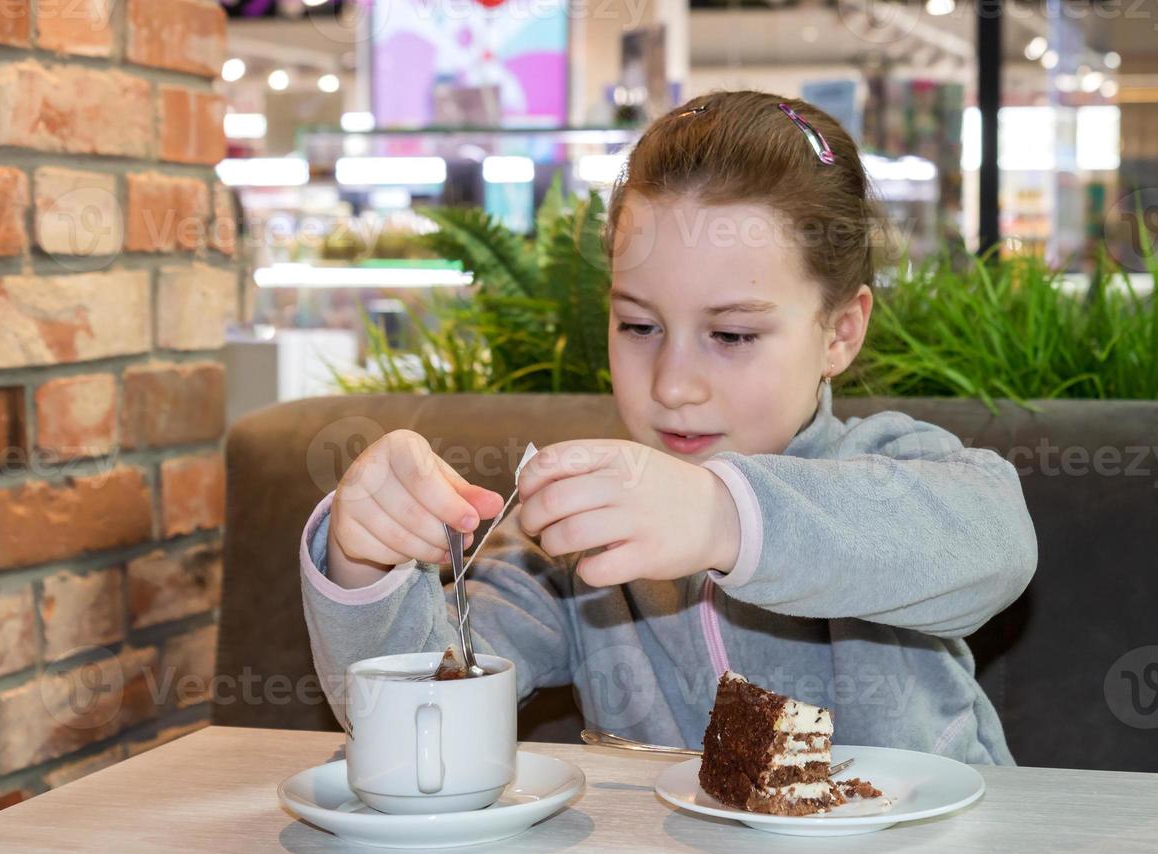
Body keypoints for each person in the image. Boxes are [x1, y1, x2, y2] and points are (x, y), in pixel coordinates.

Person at [299, 90, 1038, 763]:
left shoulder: (888, 464)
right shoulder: (572, 542)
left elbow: (994, 543)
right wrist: (366, 567)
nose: (673, 386)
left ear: (840, 331)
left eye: (734, 335)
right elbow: (418, 713)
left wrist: (722, 516)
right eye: (639, 325)